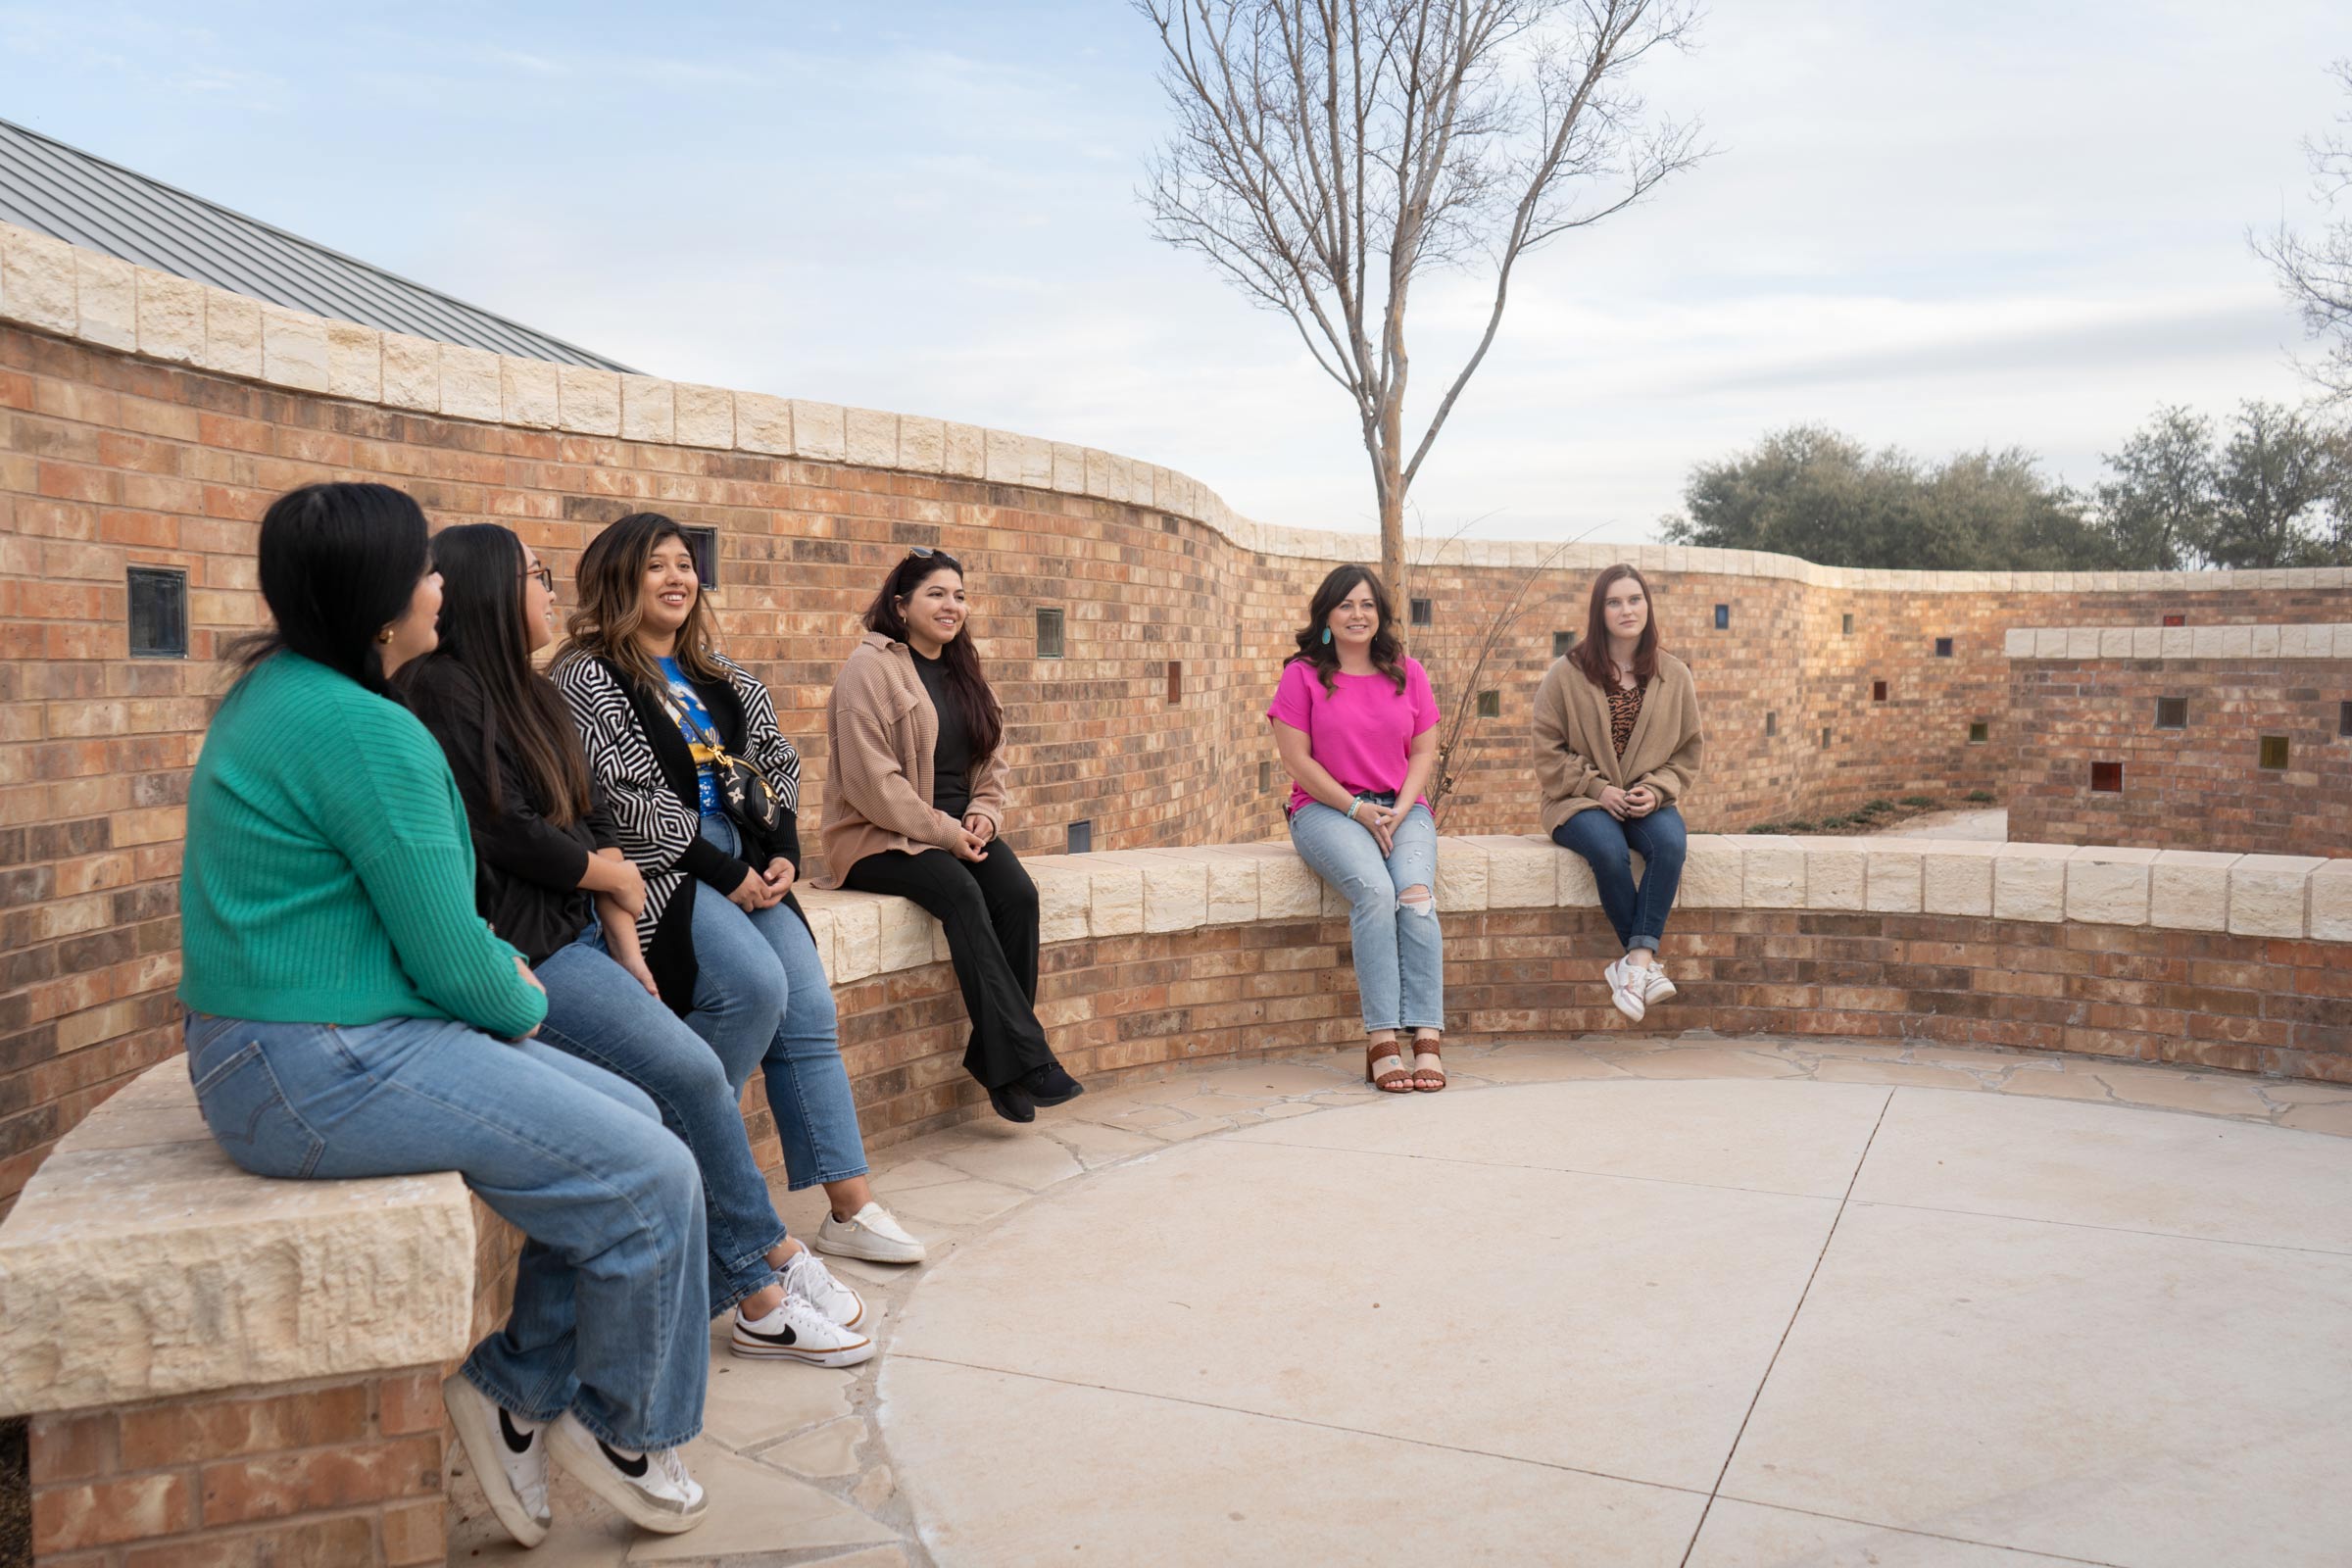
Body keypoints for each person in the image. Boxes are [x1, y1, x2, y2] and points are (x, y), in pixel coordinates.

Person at [177, 483, 709, 1547]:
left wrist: (490, 983)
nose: (440, 584)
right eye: (422, 567)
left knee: (635, 1124)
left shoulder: (273, 691)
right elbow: (455, 960)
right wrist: (517, 996)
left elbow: (389, 921)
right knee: (654, 1177)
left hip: (292, 1042)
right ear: (382, 603)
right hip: (317, 1062)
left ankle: (513, 1397)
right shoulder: (372, 731)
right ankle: (623, 1427)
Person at [400, 522, 874, 1371]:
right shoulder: (504, 686)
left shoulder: (541, 691)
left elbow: (742, 773)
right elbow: (538, 825)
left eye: (685, 564)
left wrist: (779, 851)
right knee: (697, 1062)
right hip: (571, 929)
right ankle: (762, 1270)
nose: (552, 593)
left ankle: (826, 1218)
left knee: (789, 1011)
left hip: (595, 922)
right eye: (538, 577)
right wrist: (651, 883)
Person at [551, 513, 924, 1267]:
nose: (676, 578)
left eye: (684, 564)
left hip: (749, 860)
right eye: (655, 565)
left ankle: (848, 1207)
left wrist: (783, 852)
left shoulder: (724, 675)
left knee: (808, 1005)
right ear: (617, 579)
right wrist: (730, 874)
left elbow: (776, 766)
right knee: (754, 989)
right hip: (666, 871)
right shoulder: (585, 676)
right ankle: (663, 1149)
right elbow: (615, 796)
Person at [818, 548, 1083, 1124]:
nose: (951, 605)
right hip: (876, 836)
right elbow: (872, 784)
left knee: (1018, 896)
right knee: (962, 896)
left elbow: (991, 758)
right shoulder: (870, 668)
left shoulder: (963, 666)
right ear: (901, 604)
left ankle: (997, 1062)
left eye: (959, 595)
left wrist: (986, 812)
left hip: (956, 828)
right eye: (936, 593)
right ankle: (1029, 1059)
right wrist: (944, 833)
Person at [1267, 565, 1446, 1093]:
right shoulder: (1300, 675)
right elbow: (1297, 761)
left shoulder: (1407, 672)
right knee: (1374, 892)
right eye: (1345, 605)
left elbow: (1424, 749)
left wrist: (1400, 807)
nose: (1357, 615)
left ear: (1381, 614)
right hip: (1327, 810)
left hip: (1402, 807)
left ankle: (1428, 1037)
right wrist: (1356, 810)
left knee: (1414, 895)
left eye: (1367, 605)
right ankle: (1382, 1040)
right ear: (1326, 614)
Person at [1534, 564, 1704, 1023]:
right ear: (1599, 611)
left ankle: (1635, 965)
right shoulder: (1566, 674)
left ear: (1648, 606)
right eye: (1614, 602)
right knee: (1609, 852)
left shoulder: (1674, 675)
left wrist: (1657, 789)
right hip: (1579, 801)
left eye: (1634, 600)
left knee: (1669, 845)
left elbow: (1689, 751)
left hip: (1648, 800)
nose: (1626, 610)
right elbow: (1547, 750)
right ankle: (1644, 964)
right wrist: (1597, 788)